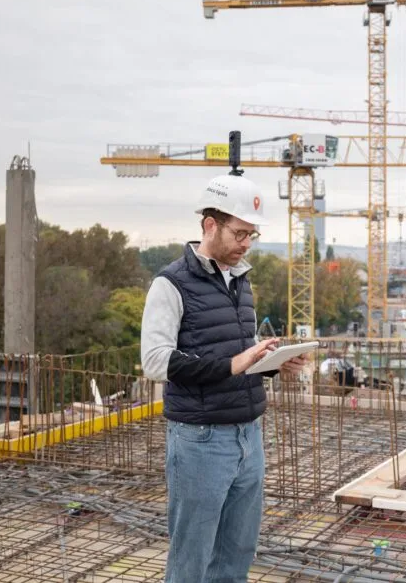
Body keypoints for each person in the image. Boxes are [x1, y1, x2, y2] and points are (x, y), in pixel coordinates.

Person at [140, 172, 307, 582]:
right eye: (239, 233)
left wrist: (271, 363)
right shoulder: (171, 284)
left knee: (236, 554)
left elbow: (237, 352)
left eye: (252, 234)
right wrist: (234, 363)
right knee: (191, 560)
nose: (246, 243)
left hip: (247, 435)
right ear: (209, 224)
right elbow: (156, 361)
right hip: (200, 441)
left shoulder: (240, 282)